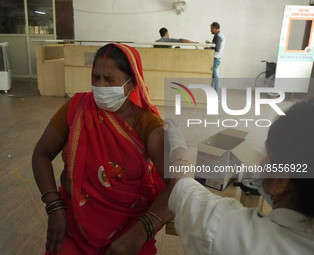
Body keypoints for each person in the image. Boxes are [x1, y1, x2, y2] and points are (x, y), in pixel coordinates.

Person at [32, 43, 175, 255]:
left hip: (130, 229)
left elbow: (175, 185)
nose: (100, 86)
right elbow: (41, 155)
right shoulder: (77, 107)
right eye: (96, 78)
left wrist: (141, 232)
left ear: (132, 83)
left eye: (109, 80)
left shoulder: (149, 126)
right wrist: (54, 207)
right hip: (74, 221)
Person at [165, 99, 314, 255]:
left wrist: (178, 143)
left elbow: (181, 184)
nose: (261, 160)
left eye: (267, 154)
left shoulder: (227, 230)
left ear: (282, 181)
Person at [206, 22, 225, 98]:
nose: (210, 30)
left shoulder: (218, 36)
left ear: (214, 28)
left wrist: (209, 48)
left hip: (216, 58)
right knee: (214, 77)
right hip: (216, 58)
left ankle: (216, 96)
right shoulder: (218, 35)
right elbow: (216, 46)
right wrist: (210, 44)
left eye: (211, 28)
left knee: (215, 77)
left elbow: (217, 48)